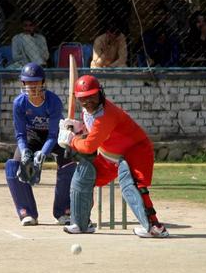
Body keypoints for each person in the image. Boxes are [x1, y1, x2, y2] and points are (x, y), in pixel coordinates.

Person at [57, 75, 169, 238]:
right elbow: (93, 135)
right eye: (83, 99)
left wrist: (71, 139)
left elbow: (88, 147)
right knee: (83, 176)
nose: (88, 102)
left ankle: (155, 227)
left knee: (135, 186)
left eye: (92, 97)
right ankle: (81, 223)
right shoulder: (87, 112)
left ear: (100, 94)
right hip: (108, 155)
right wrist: (78, 130)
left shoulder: (106, 115)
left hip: (135, 151)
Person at [5, 62, 76, 226]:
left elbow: (52, 134)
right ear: (23, 83)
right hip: (32, 136)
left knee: (68, 161)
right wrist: (25, 152)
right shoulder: (19, 103)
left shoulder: (53, 101)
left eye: (36, 82)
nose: (32, 86)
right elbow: (20, 134)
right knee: (14, 166)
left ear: (43, 82)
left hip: (54, 136)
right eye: (28, 82)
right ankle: (27, 213)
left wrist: (42, 154)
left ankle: (63, 211)